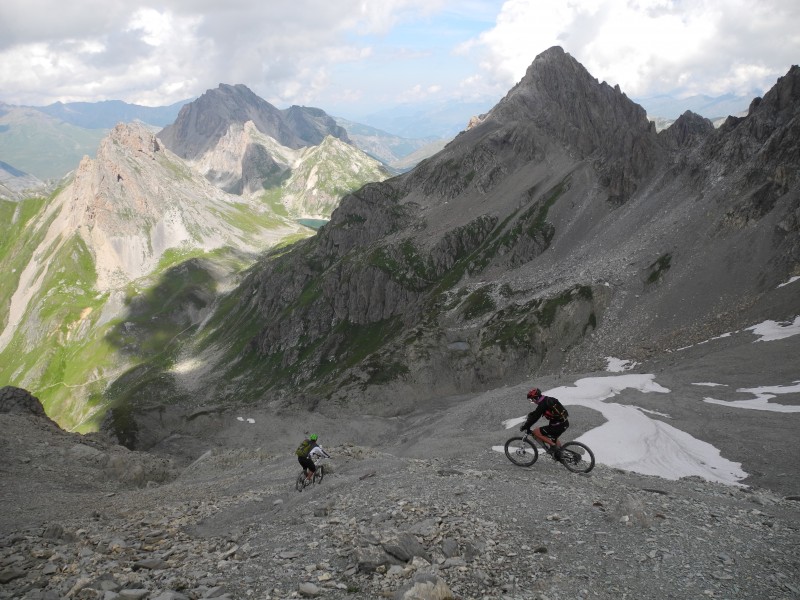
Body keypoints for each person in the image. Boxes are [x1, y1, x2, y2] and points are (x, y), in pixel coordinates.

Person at [519, 388, 569, 458]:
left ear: (536, 397)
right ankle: (559, 454)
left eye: (532, 399)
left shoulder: (542, 405)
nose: (532, 401)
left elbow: (535, 417)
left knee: (536, 432)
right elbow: (539, 411)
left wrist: (526, 426)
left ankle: (554, 447)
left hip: (557, 426)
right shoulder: (548, 399)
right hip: (564, 423)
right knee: (552, 436)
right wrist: (532, 414)